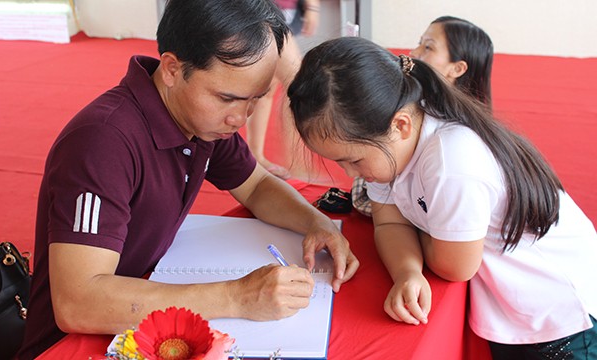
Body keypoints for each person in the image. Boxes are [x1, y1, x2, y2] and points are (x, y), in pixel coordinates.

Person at [17, 1, 359, 358]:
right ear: (172, 69)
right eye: (228, 98)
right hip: (73, 345)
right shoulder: (102, 142)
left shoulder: (201, 122)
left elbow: (256, 185)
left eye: (257, 99)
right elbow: (78, 302)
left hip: (147, 311)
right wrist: (236, 296)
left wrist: (317, 223)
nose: (240, 118)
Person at [288, 36, 597, 359]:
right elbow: (389, 221)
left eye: (353, 160)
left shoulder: (451, 161)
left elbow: (456, 265)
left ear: (401, 125)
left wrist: (415, 233)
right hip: (515, 305)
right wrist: (407, 271)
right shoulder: (388, 147)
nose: (350, 174)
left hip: (561, 316)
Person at [352, 16, 493, 216]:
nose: (414, 53)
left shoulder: (457, 144)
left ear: (458, 68)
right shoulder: (414, 101)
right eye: (420, 43)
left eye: (428, 47)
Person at [245, 0, 321, 180]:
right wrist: (312, 6)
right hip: (262, 10)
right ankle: (298, 164)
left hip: (276, 12)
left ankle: (256, 157)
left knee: (268, 86)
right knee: (296, 83)